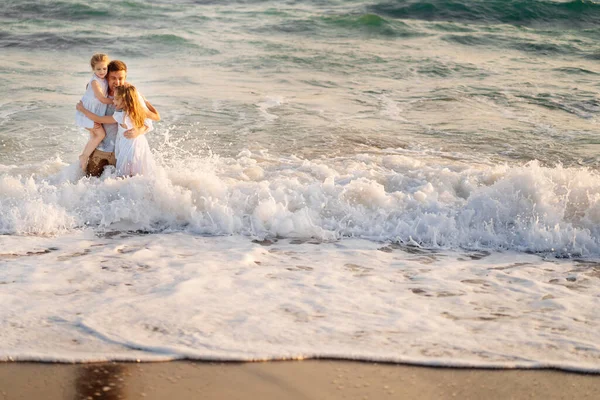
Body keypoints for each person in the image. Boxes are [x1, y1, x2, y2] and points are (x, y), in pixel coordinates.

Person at [76, 60, 160, 177]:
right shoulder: (98, 93)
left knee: (120, 186)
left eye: (121, 78)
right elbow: (85, 115)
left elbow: (148, 121)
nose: (117, 82)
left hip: (121, 153)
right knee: (89, 182)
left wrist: (138, 131)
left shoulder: (130, 96)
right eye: (113, 78)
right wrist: (90, 127)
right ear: (106, 77)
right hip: (100, 149)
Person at [74, 53, 114, 171]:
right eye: (98, 69)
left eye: (104, 68)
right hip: (88, 112)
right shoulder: (95, 82)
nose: (102, 71)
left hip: (94, 111)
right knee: (100, 134)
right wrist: (115, 101)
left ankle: (88, 155)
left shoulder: (103, 79)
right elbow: (102, 99)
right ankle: (84, 155)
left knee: (94, 135)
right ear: (93, 69)